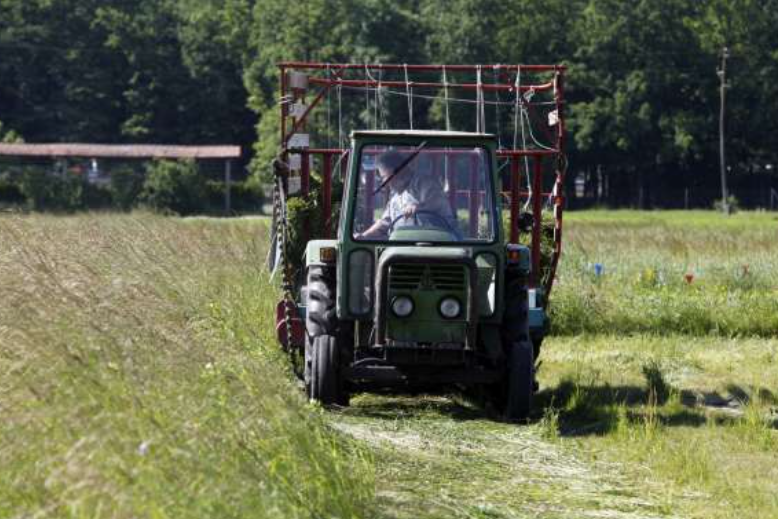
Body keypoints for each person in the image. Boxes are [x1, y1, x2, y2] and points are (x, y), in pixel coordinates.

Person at [358, 149, 459, 240]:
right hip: (406, 246)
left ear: (398, 171)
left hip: (440, 242)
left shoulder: (425, 184)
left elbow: (436, 203)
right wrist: (364, 236)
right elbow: (384, 222)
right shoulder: (395, 196)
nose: (385, 182)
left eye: (385, 177)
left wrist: (418, 207)